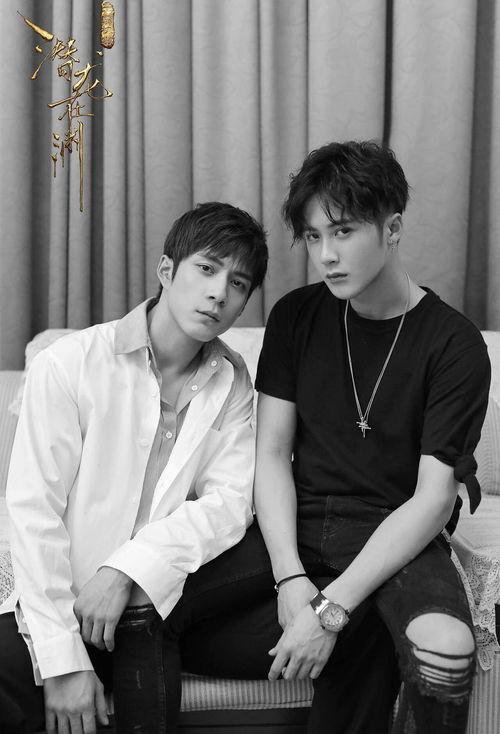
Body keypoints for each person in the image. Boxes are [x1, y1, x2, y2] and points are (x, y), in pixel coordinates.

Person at [0, 201, 268, 734]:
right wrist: (63, 660)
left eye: (238, 284)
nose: (219, 292)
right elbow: (33, 513)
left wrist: (128, 568)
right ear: (166, 270)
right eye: (207, 268)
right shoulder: (70, 363)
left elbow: (229, 504)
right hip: (67, 600)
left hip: (155, 597)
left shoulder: (234, 381)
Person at [252, 140, 491, 733]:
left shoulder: (454, 344)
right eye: (313, 237)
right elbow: (271, 455)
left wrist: (330, 608)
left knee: (446, 651)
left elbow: (433, 498)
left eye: (344, 232)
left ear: (393, 229)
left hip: (394, 525)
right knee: (149, 596)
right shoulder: (295, 316)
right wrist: (289, 576)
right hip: (299, 521)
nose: (326, 255)